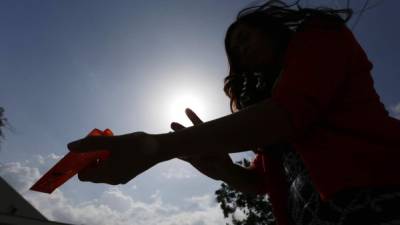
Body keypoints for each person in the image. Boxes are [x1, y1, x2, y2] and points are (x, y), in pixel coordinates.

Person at [67, 1, 400, 225]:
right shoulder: (268, 103)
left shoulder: (320, 35)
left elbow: (286, 114)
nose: (240, 50)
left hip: (380, 196)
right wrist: (224, 170)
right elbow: (263, 182)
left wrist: (158, 146)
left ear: (268, 28)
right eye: (234, 50)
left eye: (244, 37)